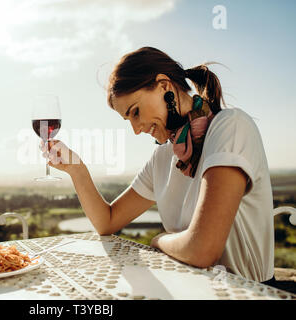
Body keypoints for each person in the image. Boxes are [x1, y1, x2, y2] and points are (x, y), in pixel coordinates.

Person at [40, 47, 275, 284]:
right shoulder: (163, 157)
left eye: (136, 112)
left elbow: (202, 250)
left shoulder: (230, 127)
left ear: (164, 85)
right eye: (128, 119)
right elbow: (107, 221)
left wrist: (158, 240)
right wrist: (76, 169)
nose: (136, 129)